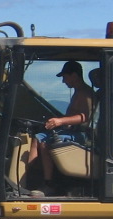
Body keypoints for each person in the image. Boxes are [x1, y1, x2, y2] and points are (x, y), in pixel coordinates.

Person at [27, 60, 95, 190]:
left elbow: (86, 116)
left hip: (81, 135)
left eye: (65, 77)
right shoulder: (78, 92)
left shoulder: (85, 93)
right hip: (71, 131)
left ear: (74, 76)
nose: (63, 81)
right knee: (37, 138)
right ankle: (31, 176)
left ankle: (47, 182)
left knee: (45, 143)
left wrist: (60, 121)